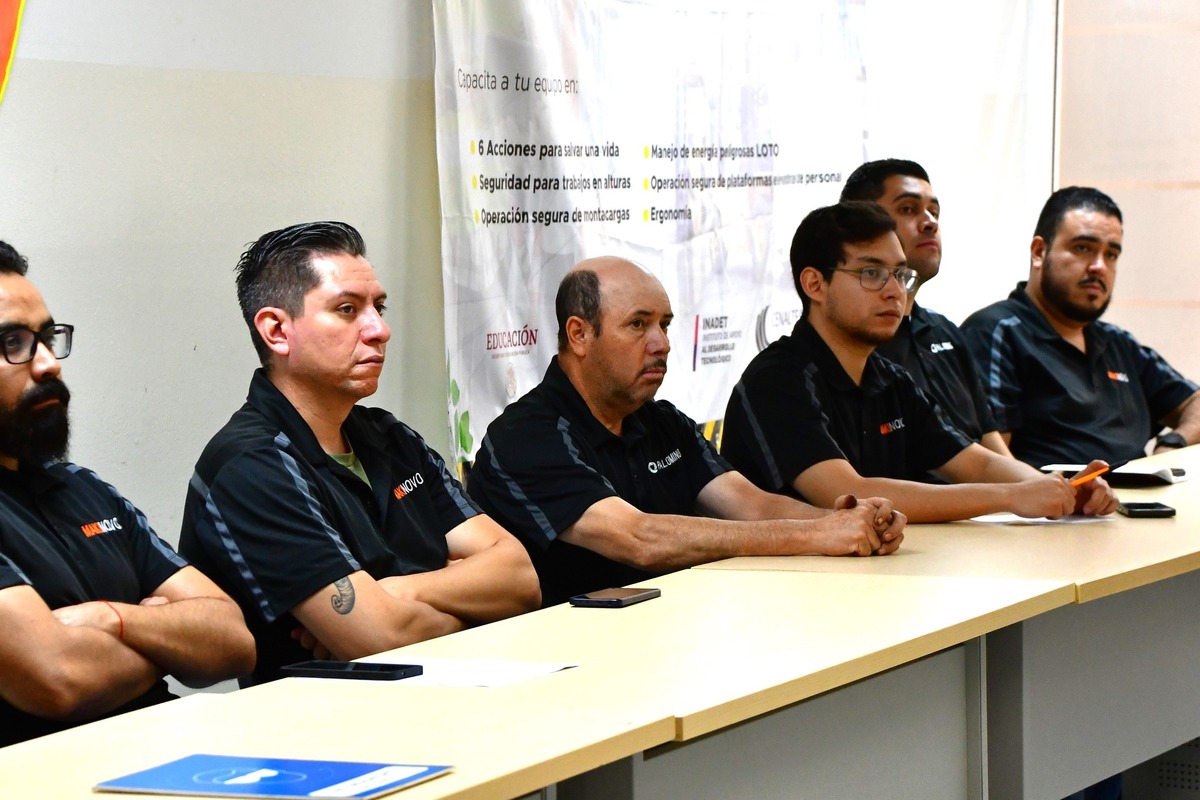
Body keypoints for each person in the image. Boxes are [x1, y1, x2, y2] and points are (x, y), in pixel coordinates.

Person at [179, 222, 540, 685]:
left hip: (456, 697)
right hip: (329, 723)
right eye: (347, 309)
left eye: (379, 308)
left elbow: (520, 577)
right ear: (277, 331)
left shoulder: (389, 436)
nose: (380, 330)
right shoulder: (251, 465)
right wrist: (466, 599)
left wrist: (395, 592)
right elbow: (380, 638)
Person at [467, 256, 907, 608]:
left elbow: (751, 505)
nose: (661, 343)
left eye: (665, 324)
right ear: (579, 334)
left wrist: (847, 519)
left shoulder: (661, 420)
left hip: (676, 632)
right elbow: (639, 538)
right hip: (573, 657)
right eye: (638, 324)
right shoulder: (525, 436)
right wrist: (817, 536)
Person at [0, 241, 255, 746]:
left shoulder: (83, 487)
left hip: (174, 752)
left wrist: (110, 618)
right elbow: (59, 678)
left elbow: (233, 640)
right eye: (13, 342)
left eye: (47, 338)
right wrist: (167, 639)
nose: (49, 364)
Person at [720, 202, 1117, 523]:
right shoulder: (777, 379)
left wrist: (1062, 488)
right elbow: (847, 494)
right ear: (815, 284)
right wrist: (1011, 497)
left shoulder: (890, 379)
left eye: (899, 274)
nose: (894, 291)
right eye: (871, 273)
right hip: (787, 583)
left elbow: (974, 463)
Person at [961, 186, 1200, 467]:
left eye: (1111, 254)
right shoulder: (996, 333)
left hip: (1142, 491)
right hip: (1060, 496)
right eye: (1083, 248)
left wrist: (1173, 443)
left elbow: (1194, 403)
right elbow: (990, 465)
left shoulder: (1118, 343)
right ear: (1039, 252)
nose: (1099, 266)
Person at [840, 159, 1011, 456]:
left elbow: (991, 450)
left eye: (935, 212)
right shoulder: (851, 341)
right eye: (908, 209)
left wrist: (1056, 483)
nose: (930, 222)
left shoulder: (946, 331)